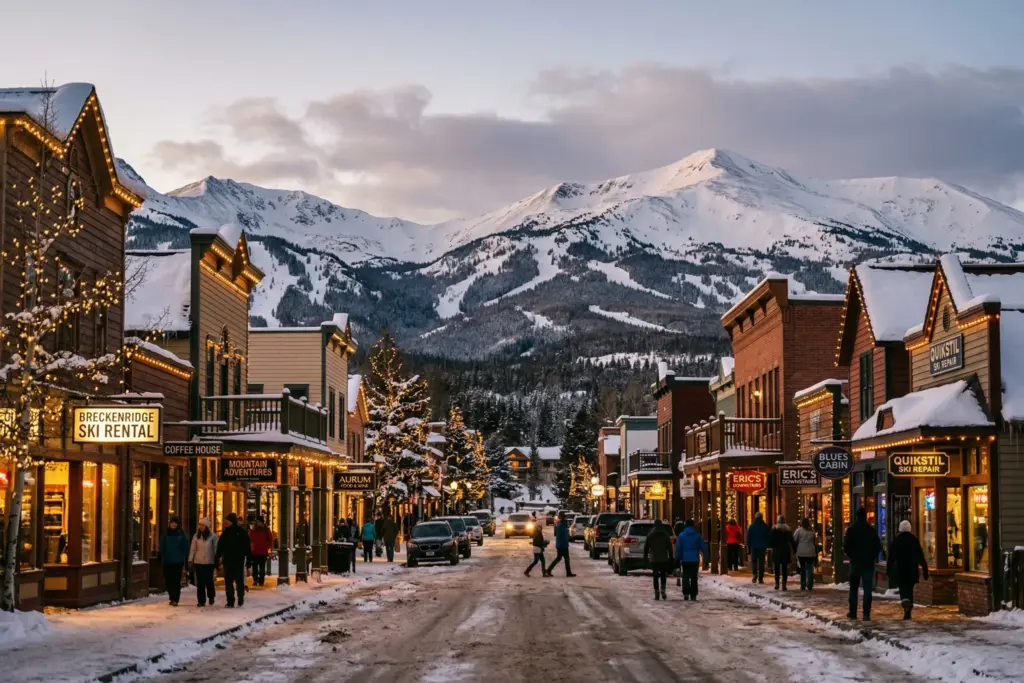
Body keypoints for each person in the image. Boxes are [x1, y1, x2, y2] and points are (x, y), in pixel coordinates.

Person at [844, 507, 883, 620]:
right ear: (865, 516)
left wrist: (853, 556)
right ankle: (866, 613)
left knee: (853, 588)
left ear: (856, 516)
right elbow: (878, 546)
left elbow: (846, 547)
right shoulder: (871, 530)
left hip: (856, 562)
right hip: (867, 563)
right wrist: (872, 557)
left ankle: (853, 612)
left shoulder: (851, 530)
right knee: (867, 588)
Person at [887, 520, 929, 620]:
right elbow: (920, 556)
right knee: (910, 589)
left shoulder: (897, 540)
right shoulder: (914, 540)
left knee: (903, 588)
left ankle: (905, 603)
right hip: (912, 569)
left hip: (900, 569)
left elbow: (891, 557)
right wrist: (925, 569)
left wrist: (888, 569)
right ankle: (908, 609)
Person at [216, 513, 251, 608]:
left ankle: (240, 597)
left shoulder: (241, 532)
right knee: (228, 583)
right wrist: (217, 558)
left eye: (227, 521)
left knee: (239, 581)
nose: (225, 522)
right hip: (227, 561)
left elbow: (247, 547)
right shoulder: (225, 533)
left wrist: (248, 560)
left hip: (238, 561)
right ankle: (230, 601)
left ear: (231, 521)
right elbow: (220, 547)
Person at [158, 515, 189, 606]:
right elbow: (162, 544)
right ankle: (171, 596)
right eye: (172, 523)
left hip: (178, 561)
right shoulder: (166, 533)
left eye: (175, 523)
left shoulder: (181, 534)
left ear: (178, 524)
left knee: (176, 580)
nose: (173, 524)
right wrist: (160, 554)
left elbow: (185, 546)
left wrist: (185, 556)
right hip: (167, 560)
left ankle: (175, 598)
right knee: (168, 580)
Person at [675, 519, 707, 601]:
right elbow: (703, 547)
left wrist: (677, 558)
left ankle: (686, 593)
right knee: (694, 577)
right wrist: (706, 558)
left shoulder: (681, 536)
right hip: (695, 559)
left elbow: (678, 548)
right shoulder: (697, 535)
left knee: (685, 576)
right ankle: (693, 594)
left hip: (685, 559)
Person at [188, 518, 218, 607]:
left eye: (202, 525)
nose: (200, 527)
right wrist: (190, 559)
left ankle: (211, 596)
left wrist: (217, 559)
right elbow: (193, 549)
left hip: (209, 562)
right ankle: (201, 601)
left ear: (206, 526)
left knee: (209, 581)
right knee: (200, 582)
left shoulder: (213, 536)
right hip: (199, 562)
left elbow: (216, 548)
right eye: (199, 525)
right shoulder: (196, 536)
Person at [643, 519, 674, 600]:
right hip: (663, 559)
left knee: (655, 575)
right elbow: (670, 548)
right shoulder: (665, 535)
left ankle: (657, 591)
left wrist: (645, 557)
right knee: (663, 575)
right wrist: (671, 558)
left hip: (654, 559)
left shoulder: (650, 535)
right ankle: (663, 589)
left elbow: (646, 547)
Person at [768, 515, 795, 590]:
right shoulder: (788, 530)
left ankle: (777, 583)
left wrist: (773, 546)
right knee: (784, 568)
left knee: (776, 568)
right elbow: (792, 541)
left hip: (777, 550)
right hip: (785, 550)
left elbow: (770, 540)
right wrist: (794, 549)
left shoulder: (774, 529)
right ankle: (784, 584)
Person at [545, 512, 576, 577]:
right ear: (563, 518)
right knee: (566, 559)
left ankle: (549, 570)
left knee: (559, 558)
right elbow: (563, 536)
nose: (566, 519)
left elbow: (563, 535)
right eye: (565, 517)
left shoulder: (561, 525)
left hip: (561, 545)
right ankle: (568, 573)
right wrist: (565, 542)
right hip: (562, 545)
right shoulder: (561, 525)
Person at [793, 517, 818, 591]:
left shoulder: (798, 531)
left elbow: (794, 540)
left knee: (802, 569)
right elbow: (814, 542)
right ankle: (810, 583)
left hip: (801, 552)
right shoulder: (812, 531)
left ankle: (803, 584)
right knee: (810, 568)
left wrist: (795, 549)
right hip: (811, 552)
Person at [248, 517, 274, 587]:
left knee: (262, 568)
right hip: (255, 552)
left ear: (262, 523)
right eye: (257, 522)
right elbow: (249, 538)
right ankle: (255, 579)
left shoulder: (266, 530)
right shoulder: (253, 530)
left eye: (259, 522)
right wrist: (251, 547)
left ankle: (261, 581)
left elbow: (271, 539)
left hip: (263, 552)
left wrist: (267, 546)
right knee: (255, 568)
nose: (258, 523)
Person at [746, 512, 770, 584]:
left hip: (754, 546)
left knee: (754, 561)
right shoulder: (765, 526)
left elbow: (748, 537)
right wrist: (767, 544)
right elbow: (768, 537)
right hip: (762, 547)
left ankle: (755, 573)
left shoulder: (752, 526)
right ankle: (760, 578)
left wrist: (749, 545)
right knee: (761, 562)